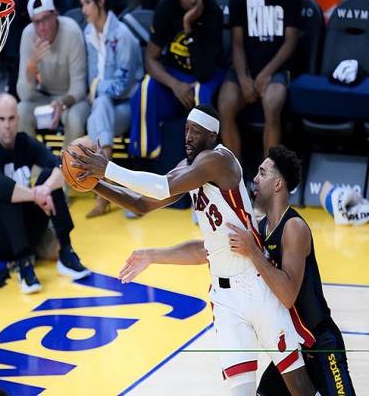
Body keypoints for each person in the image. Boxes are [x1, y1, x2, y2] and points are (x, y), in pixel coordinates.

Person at [70, 105, 318, 396]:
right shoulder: (187, 169)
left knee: (299, 386)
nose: (188, 137)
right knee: (239, 392)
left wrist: (107, 168)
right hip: (224, 298)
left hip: (256, 283)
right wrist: (93, 183)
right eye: (186, 130)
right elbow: (140, 204)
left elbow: (161, 186)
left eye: (196, 132)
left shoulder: (219, 161)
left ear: (212, 136)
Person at [227, 146, 356, 395]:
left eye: (262, 173)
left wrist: (253, 251)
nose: (255, 179)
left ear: (278, 184)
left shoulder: (294, 227)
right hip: (293, 342)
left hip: (320, 342)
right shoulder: (261, 228)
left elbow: (287, 295)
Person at [0, 93, 90, 294]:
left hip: (24, 228)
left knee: (48, 177)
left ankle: (66, 252)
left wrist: (46, 188)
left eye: (11, 119)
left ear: (18, 119)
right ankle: (24, 265)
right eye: (2, 119)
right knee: (9, 193)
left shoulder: (25, 143)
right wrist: (36, 195)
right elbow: (5, 188)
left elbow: (61, 165)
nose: (7, 125)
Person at [129, 0, 224, 159]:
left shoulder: (213, 12)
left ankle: (203, 160)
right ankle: (144, 155)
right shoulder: (166, 8)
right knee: (147, 87)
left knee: (202, 93)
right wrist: (175, 84)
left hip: (208, 73)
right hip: (176, 75)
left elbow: (204, 72)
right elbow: (151, 59)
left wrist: (188, 27)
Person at [217, 0, 301, 161]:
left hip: (276, 68)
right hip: (245, 67)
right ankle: (235, 175)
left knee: (271, 106)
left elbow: (290, 42)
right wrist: (243, 78)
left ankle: (267, 175)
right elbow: (237, 43)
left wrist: (266, 74)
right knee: (225, 105)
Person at [80, 0, 143, 218]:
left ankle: (103, 192)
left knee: (99, 109)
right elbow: (90, 75)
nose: (84, 9)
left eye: (87, 2)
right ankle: (109, 190)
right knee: (100, 108)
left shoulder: (122, 35)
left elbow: (122, 84)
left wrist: (96, 88)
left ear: (101, 1)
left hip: (128, 105)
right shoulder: (87, 33)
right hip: (104, 108)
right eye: (81, 4)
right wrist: (95, 89)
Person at [17, 0, 90, 147]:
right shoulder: (28, 35)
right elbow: (24, 95)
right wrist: (31, 68)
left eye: (45, 19)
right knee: (20, 111)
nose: (42, 28)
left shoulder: (71, 31)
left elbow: (79, 87)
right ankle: (36, 161)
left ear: (55, 14)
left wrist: (61, 104)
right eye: (36, 22)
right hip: (44, 98)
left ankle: (66, 163)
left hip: (72, 100)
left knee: (75, 119)